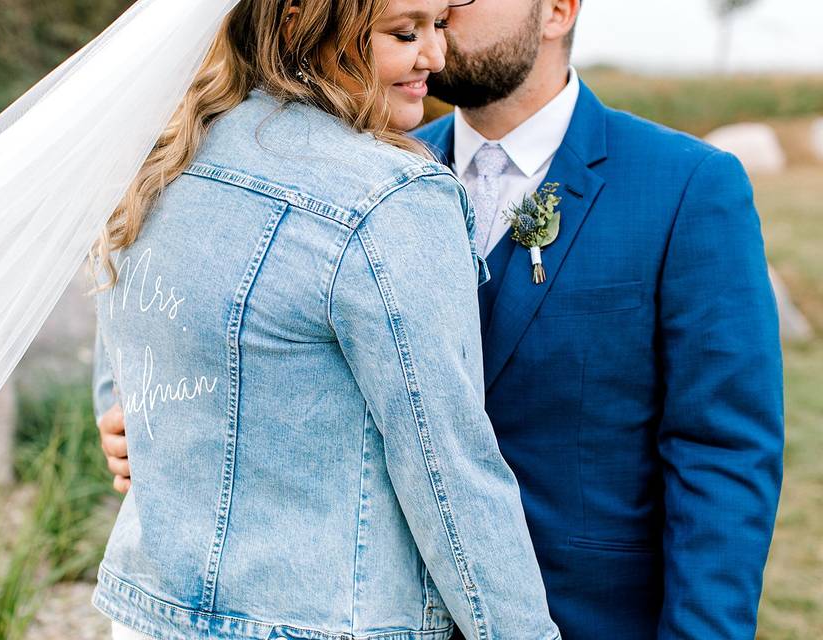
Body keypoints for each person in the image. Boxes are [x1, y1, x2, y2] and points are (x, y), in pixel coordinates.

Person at [99, 0, 786, 638]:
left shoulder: (687, 185)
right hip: (377, 611)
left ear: (556, 9)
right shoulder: (370, 172)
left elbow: (723, 448)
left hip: (576, 614)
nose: (443, 20)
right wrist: (162, 419)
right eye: (414, 20)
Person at [89, 0, 560, 639]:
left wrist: (132, 417)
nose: (436, 58)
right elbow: (446, 463)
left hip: (149, 615)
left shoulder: (166, 154)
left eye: (440, 26)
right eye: (405, 32)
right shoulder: (390, 200)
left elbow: (123, 328)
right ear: (298, 23)